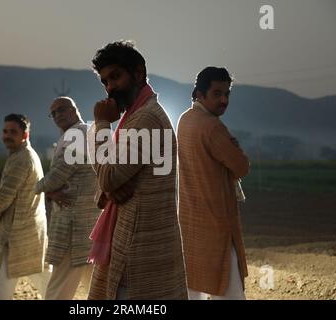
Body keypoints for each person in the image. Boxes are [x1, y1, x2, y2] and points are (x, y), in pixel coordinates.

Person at [87, 40, 188, 300]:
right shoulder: (135, 116)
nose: (110, 88)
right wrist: (111, 188)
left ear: (139, 72)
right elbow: (109, 176)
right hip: (137, 240)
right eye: (105, 81)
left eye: (115, 77)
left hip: (141, 249)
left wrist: (100, 123)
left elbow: (107, 175)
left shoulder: (146, 118)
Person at [177, 66, 250, 300]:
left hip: (189, 220)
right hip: (216, 223)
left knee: (191, 288)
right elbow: (241, 167)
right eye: (217, 93)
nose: (224, 100)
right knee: (229, 291)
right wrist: (235, 148)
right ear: (199, 94)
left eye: (227, 93)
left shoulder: (185, 119)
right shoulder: (213, 126)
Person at [35, 97, 100, 299]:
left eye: (61, 110)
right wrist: (50, 190)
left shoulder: (77, 135)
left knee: (59, 288)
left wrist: (37, 187)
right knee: (97, 288)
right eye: (53, 113)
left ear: (74, 110)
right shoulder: (86, 131)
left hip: (73, 225)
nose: (57, 116)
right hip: (91, 223)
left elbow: (56, 177)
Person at [0, 114, 47, 300]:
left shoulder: (22, 159)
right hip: (30, 230)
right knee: (45, 280)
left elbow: (5, 195)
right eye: (5, 131)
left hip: (16, 234)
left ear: (25, 135)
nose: (7, 135)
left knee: (3, 283)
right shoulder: (23, 155)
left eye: (13, 132)